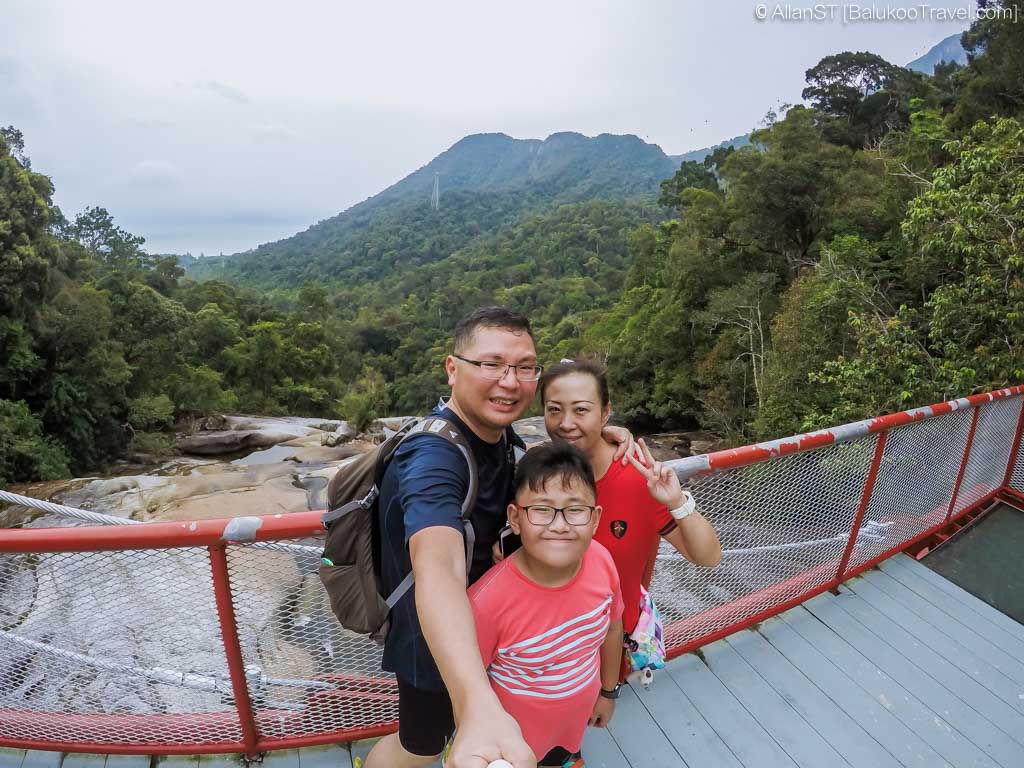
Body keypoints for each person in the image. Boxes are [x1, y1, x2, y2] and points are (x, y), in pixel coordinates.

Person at [364, 308, 636, 768]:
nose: (509, 382)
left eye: (524, 367)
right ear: (453, 369)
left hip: (501, 634)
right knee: (421, 746)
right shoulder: (432, 459)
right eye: (491, 364)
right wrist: (474, 701)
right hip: (439, 645)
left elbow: (547, 476)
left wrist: (600, 434)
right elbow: (438, 567)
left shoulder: (497, 435)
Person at [538, 358, 721, 674]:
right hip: (553, 645)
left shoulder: (637, 478)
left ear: (605, 413)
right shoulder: (537, 473)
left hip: (611, 646)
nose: (565, 423)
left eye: (581, 410)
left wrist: (677, 501)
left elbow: (707, 557)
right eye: (554, 410)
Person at [469, 443, 624, 768]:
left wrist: (608, 692)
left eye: (575, 509)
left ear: (595, 518)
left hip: (573, 724)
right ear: (515, 518)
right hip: (511, 745)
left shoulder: (602, 561)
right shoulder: (485, 603)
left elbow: (612, 628)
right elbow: (470, 683)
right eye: (542, 509)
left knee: (563, 756)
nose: (560, 525)